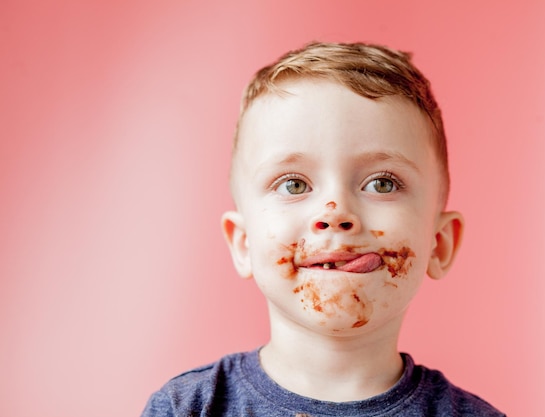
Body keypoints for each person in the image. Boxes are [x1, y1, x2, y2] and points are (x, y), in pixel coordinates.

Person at [141, 41, 505, 416]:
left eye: (382, 183)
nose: (336, 213)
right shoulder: (187, 408)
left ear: (439, 244)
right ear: (243, 243)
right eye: (293, 184)